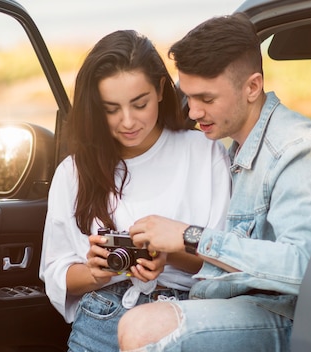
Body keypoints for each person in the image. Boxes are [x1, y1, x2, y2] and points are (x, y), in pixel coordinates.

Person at [117, 13, 311, 351]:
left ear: (252, 87)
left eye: (206, 99)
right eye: (188, 96)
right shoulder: (237, 147)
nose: (192, 112)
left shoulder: (296, 149)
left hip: (289, 317)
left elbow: (302, 267)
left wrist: (190, 236)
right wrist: (175, 252)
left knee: (143, 328)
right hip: (244, 305)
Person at [38, 30, 231, 352]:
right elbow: (56, 271)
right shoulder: (74, 171)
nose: (127, 122)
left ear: (159, 90)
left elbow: (226, 261)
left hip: (184, 317)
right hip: (103, 315)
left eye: (139, 104)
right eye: (111, 109)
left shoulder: (203, 152)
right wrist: (96, 272)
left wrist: (170, 256)